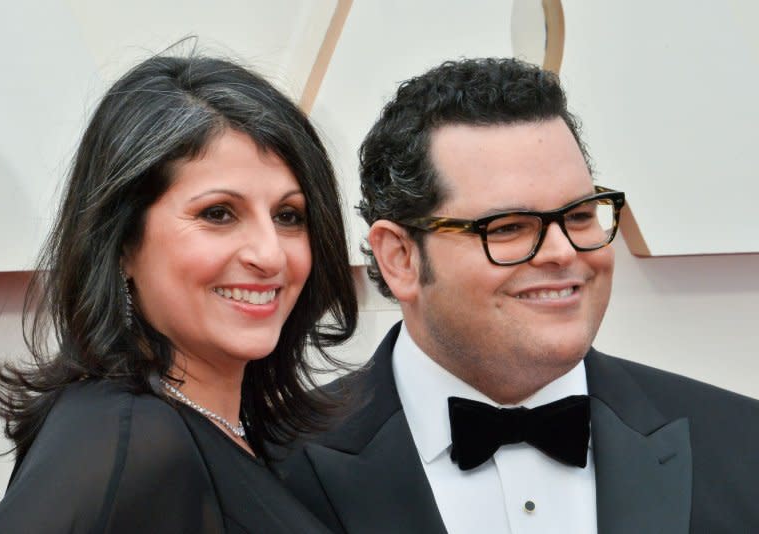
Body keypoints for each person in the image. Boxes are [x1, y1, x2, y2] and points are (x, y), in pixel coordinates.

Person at [278, 58, 759, 533]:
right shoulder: (272, 467)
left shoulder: (741, 442)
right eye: (507, 227)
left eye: (578, 216)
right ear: (400, 257)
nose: (562, 251)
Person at [0, 53, 357, 533]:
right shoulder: (128, 437)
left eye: (288, 216)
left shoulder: (225, 428)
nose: (270, 254)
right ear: (121, 244)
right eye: (218, 214)